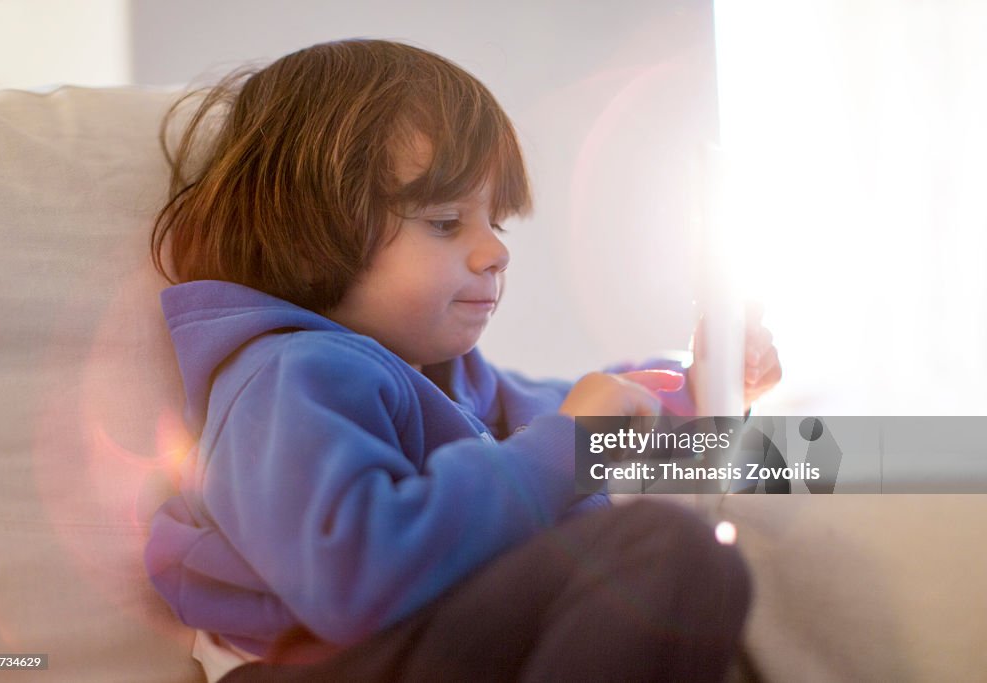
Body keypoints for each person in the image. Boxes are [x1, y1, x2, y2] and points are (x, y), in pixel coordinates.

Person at [144, 39, 782, 682]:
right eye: (447, 222)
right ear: (306, 233)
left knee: (693, 568)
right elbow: (350, 580)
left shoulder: (454, 379)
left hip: (426, 648)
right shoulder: (289, 377)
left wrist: (698, 391)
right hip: (330, 662)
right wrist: (565, 446)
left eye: (496, 223)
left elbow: (576, 412)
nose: (494, 254)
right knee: (662, 555)